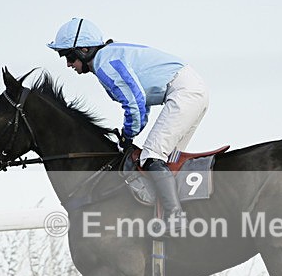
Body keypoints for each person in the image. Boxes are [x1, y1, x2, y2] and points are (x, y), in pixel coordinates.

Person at [47, 18, 209, 235]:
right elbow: (142, 101)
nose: (68, 64)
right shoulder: (109, 56)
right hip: (191, 90)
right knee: (168, 161)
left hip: (184, 92)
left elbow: (134, 103)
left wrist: (128, 134)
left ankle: (176, 218)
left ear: (84, 50)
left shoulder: (104, 64)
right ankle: (178, 215)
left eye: (69, 56)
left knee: (151, 156)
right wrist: (130, 133)